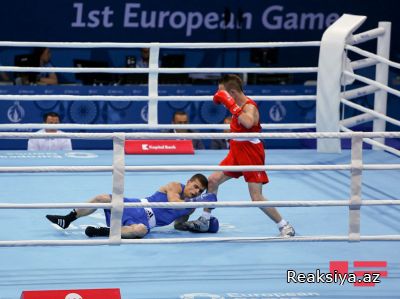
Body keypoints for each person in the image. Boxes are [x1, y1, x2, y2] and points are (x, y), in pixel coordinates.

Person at [185, 74, 295, 237]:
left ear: (233, 92)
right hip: (236, 150)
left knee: (256, 197)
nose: (219, 97)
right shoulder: (235, 104)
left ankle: (285, 226)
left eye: (223, 93)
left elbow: (249, 122)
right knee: (213, 180)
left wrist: (231, 106)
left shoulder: (249, 107)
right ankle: (205, 220)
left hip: (250, 152)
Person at [45, 174, 219, 238]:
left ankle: (102, 232)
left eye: (200, 191)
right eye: (195, 187)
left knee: (140, 231)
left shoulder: (190, 207)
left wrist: (194, 225)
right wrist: (197, 202)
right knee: (103, 198)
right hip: (135, 205)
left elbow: (179, 224)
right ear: (188, 182)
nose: (196, 192)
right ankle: (67, 219)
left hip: (142, 223)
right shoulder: (175, 186)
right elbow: (174, 202)